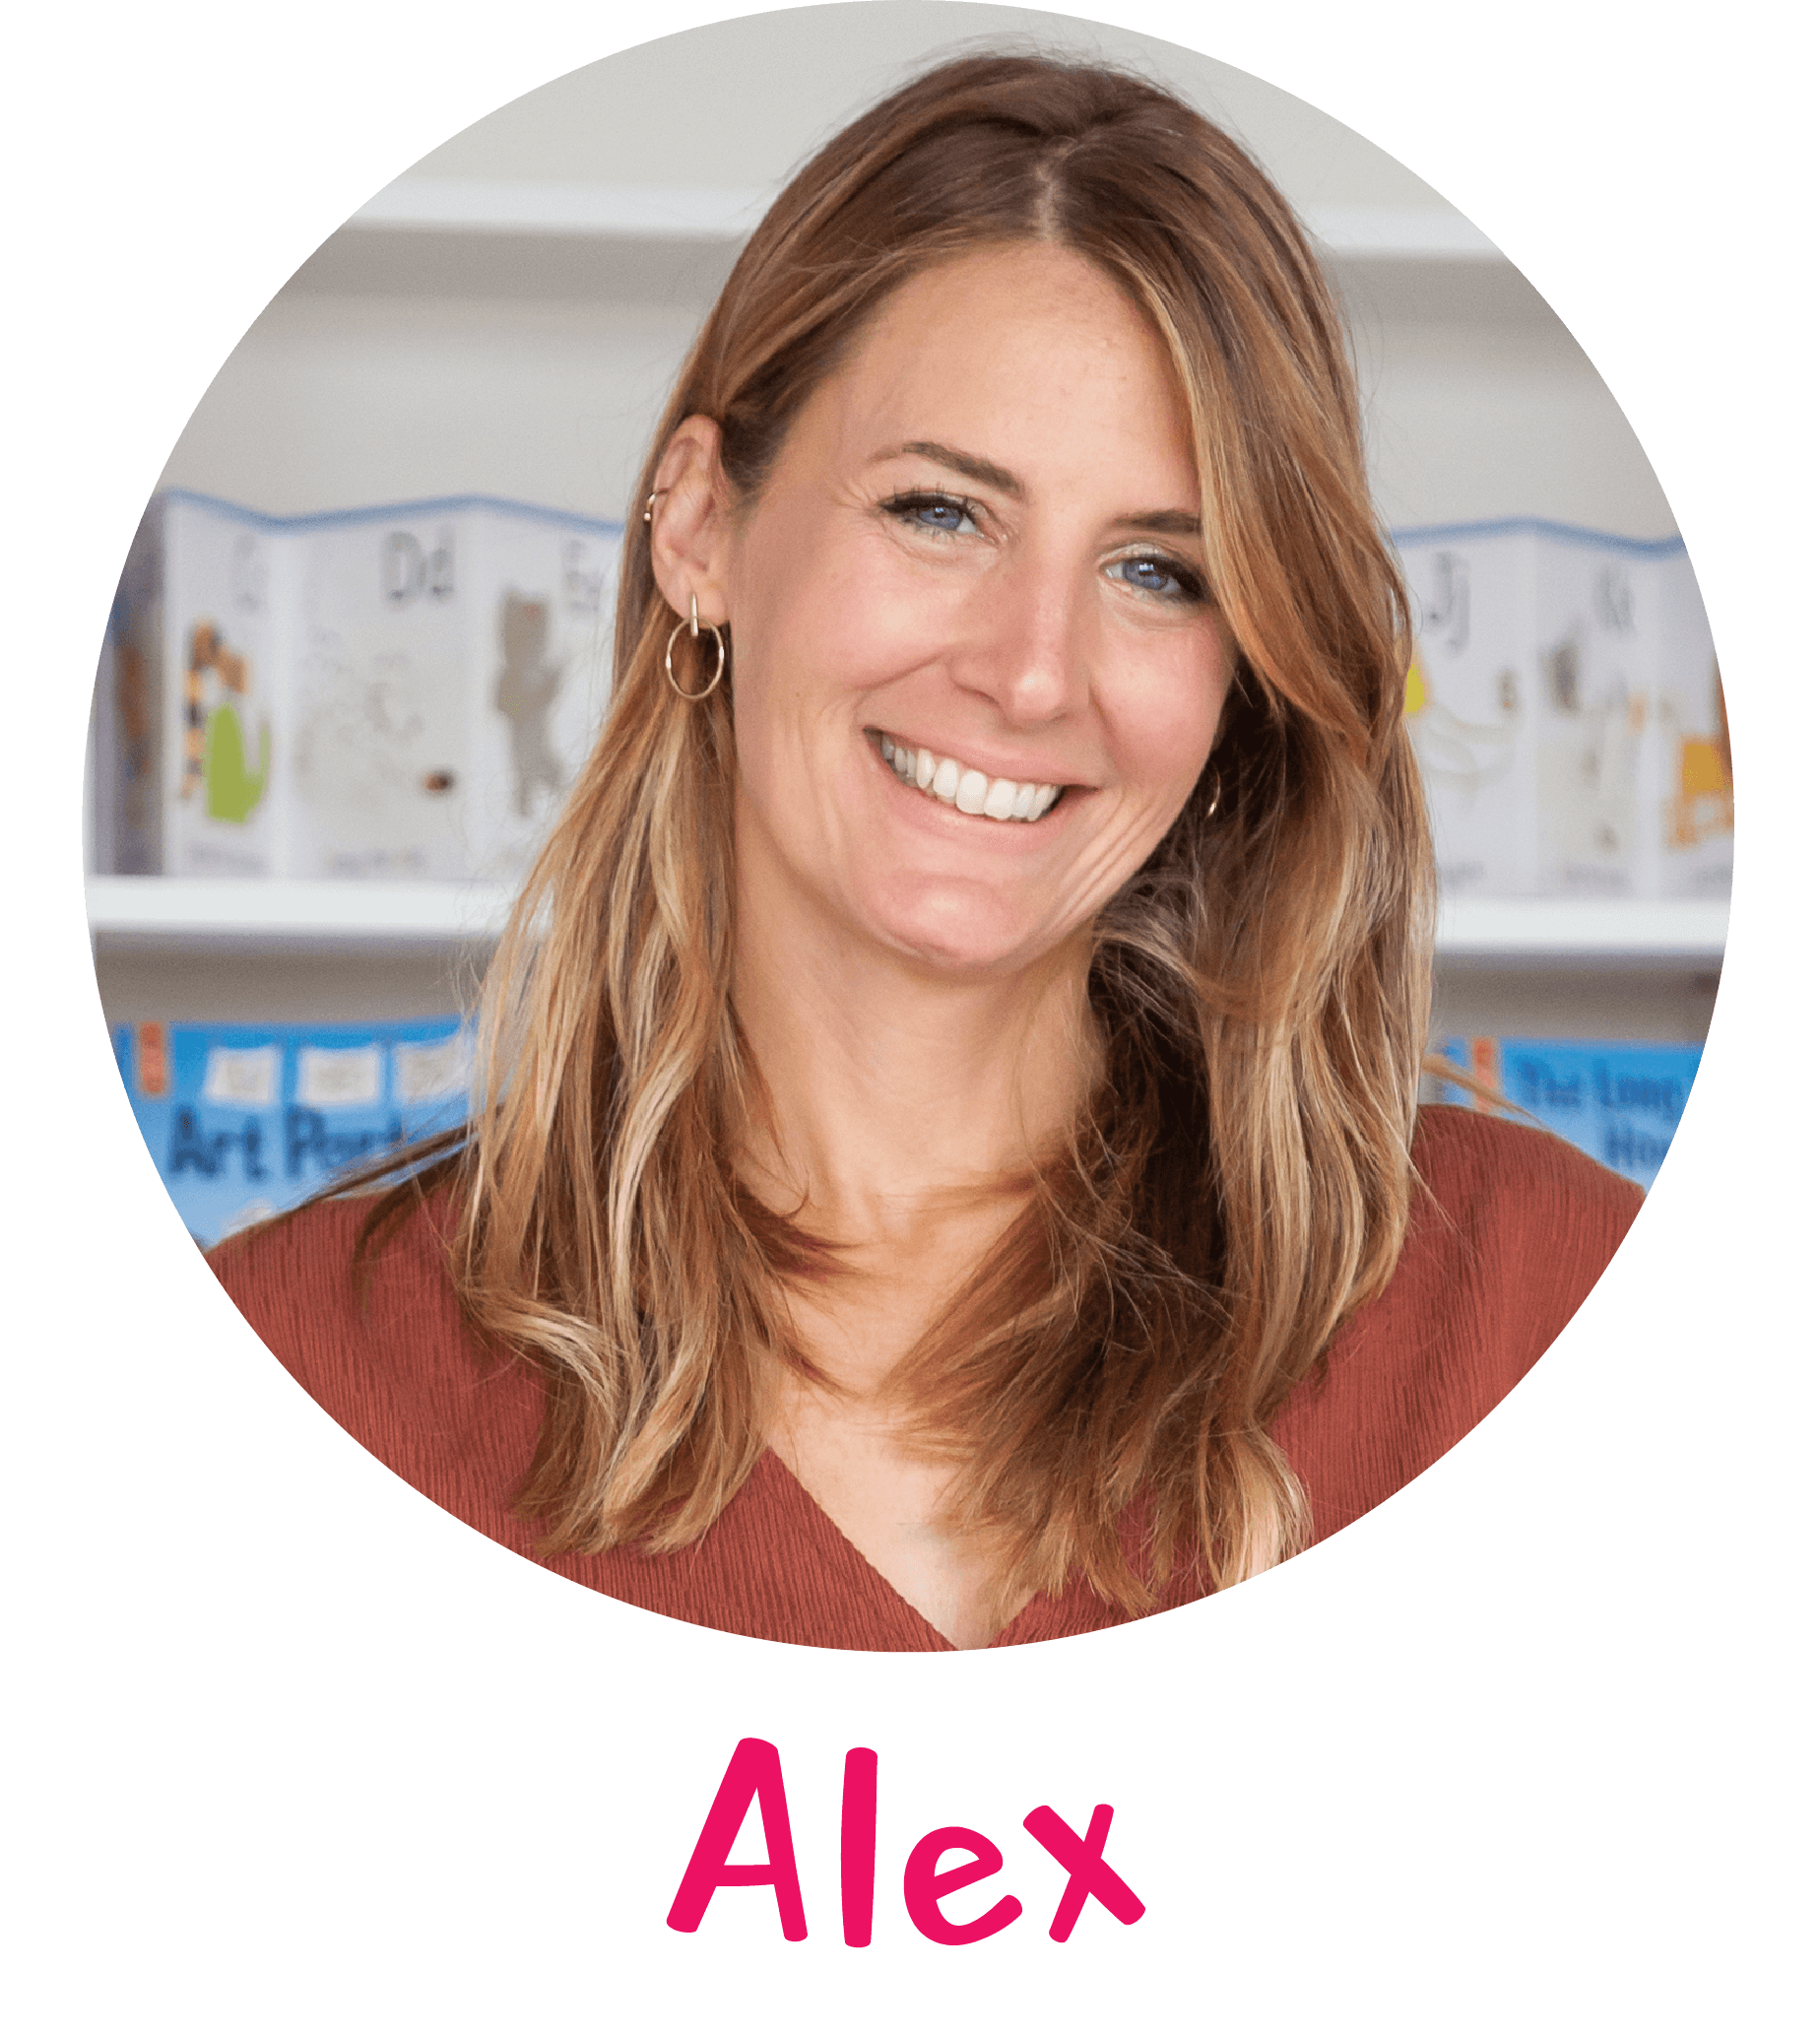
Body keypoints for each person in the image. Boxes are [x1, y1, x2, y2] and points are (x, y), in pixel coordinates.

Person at [208, 51, 1644, 1653]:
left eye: (1161, 571)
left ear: (1245, 675)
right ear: (698, 527)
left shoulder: (1524, 1295)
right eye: (941, 513)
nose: (1033, 671)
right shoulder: (312, 1344)